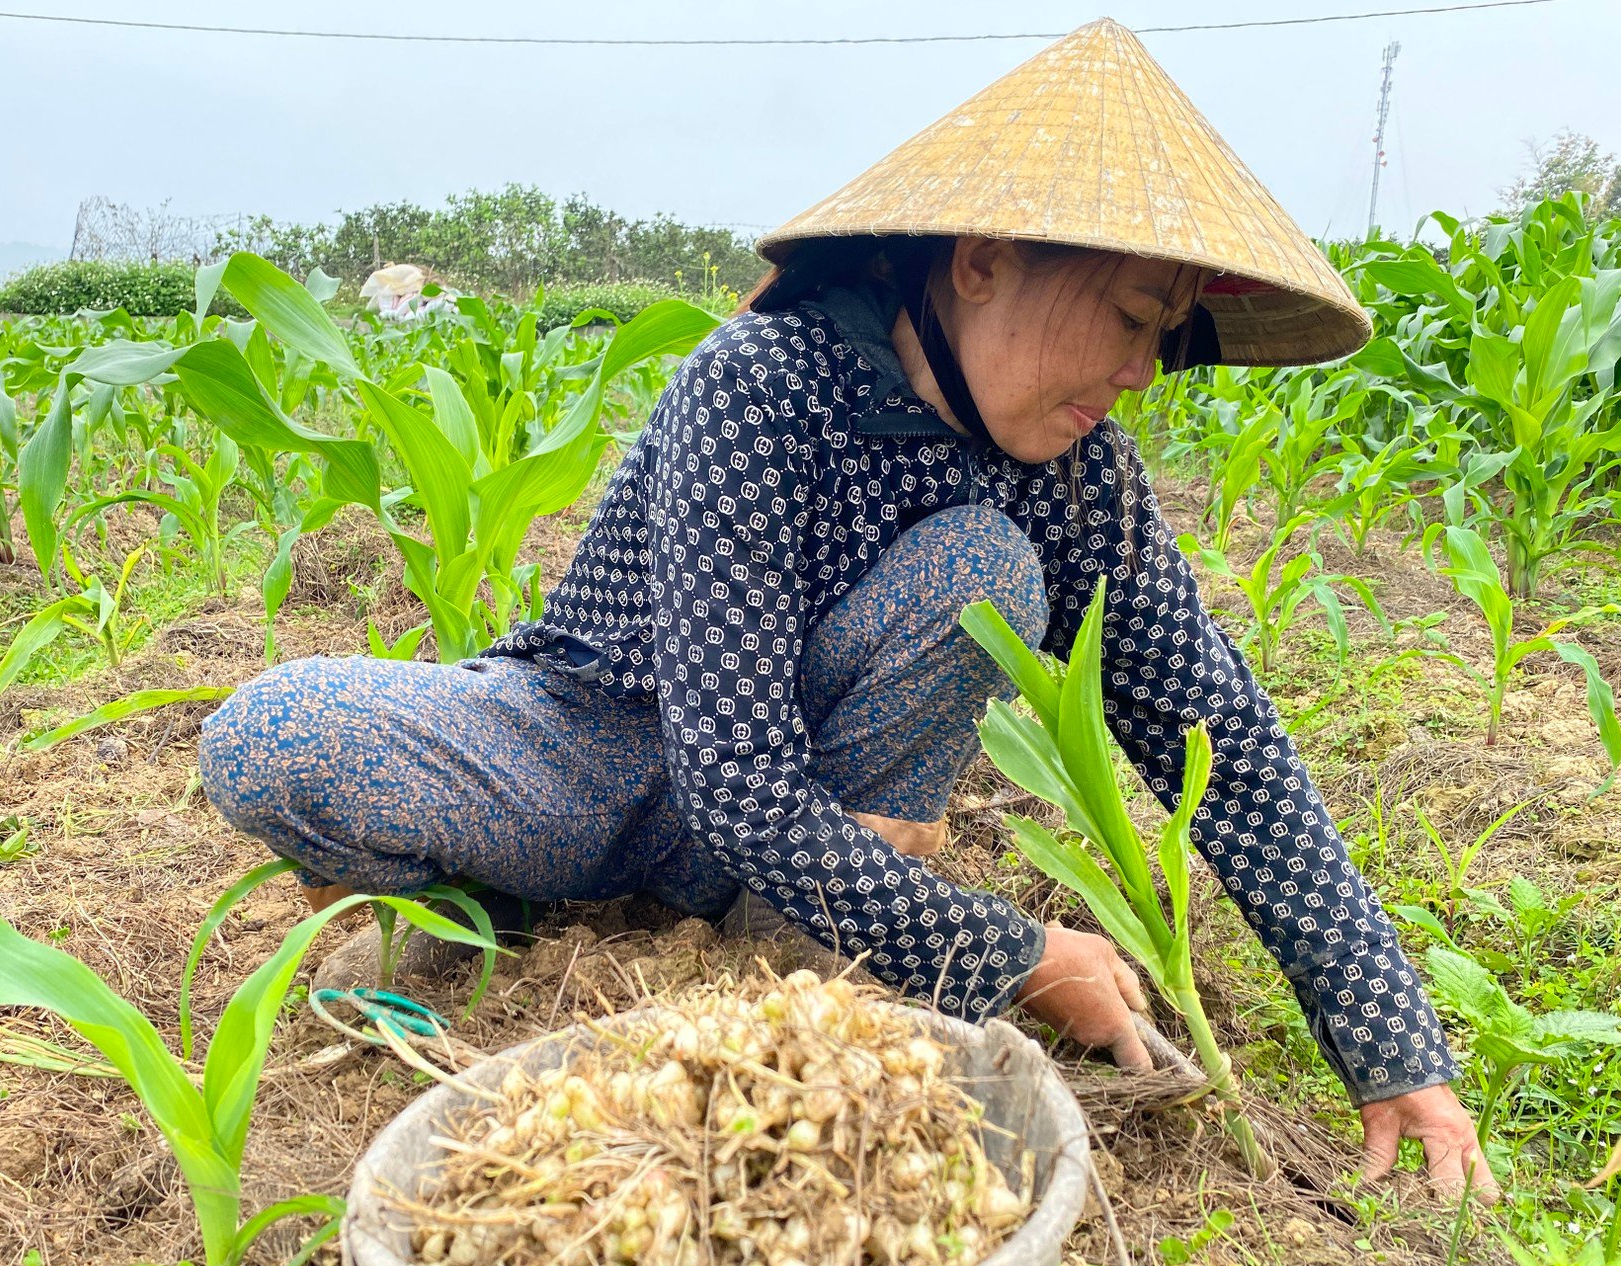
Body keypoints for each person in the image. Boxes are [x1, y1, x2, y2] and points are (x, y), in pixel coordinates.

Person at [199, 20, 1495, 1198]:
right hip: (592, 751)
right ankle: (498, 915)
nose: (1138, 373)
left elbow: (1223, 743)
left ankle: (798, 940)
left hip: (809, 829)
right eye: (1125, 319)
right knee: (278, 731)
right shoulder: (761, 389)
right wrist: (1013, 954)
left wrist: (1388, 1045)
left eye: (1162, 336)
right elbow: (731, 779)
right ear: (982, 261)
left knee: (979, 568)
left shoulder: (1077, 479)